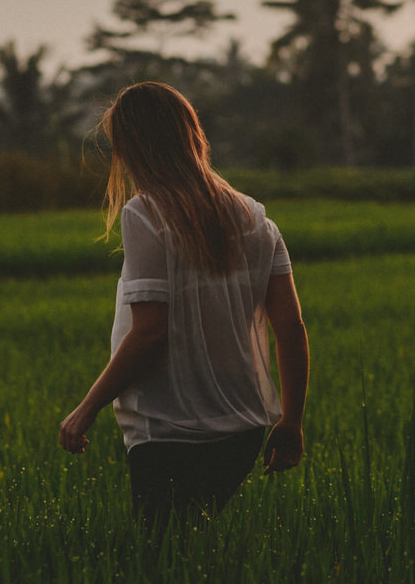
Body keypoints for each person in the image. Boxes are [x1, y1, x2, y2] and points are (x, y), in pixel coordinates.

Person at [58, 82, 309, 533]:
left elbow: (151, 331)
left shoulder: (145, 214)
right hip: (243, 430)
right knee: (189, 553)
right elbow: (290, 327)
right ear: (191, 136)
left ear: (133, 149)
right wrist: (291, 421)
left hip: (168, 426)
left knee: (158, 564)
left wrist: (87, 407)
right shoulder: (257, 219)